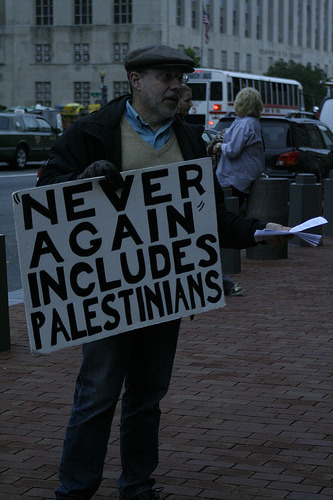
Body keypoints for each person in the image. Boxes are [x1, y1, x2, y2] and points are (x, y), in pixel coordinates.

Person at [37, 45, 290, 500]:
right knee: (96, 395)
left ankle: (137, 485)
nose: (178, 87)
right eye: (166, 77)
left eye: (181, 78)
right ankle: (75, 490)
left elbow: (207, 217)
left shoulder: (189, 141)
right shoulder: (95, 130)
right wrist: (82, 180)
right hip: (106, 290)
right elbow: (45, 195)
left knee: (147, 399)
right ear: (135, 81)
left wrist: (257, 231)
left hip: (164, 292)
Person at [215, 87, 265, 209]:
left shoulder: (244, 124)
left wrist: (219, 146)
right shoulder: (253, 122)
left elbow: (233, 150)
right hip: (244, 178)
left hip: (234, 179)